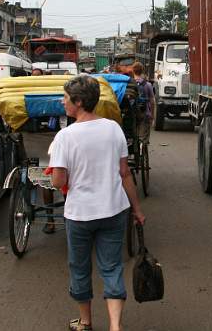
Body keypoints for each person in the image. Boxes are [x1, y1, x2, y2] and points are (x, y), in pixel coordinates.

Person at [49, 75, 145, 331]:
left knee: (80, 268)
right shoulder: (113, 128)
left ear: (78, 102)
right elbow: (125, 174)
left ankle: (85, 322)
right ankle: (115, 326)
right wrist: (137, 210)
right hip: (114, 210)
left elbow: (58, 181)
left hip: (80, 214)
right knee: (112, 267)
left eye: (66, 98)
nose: (63, 102)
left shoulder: (64, 137)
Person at [131, 61, 155, 146]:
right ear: (142, 71)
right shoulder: (148, 85)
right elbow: (152, 102)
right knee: (144, 137)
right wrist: (152, 115)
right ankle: (143, 149)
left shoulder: (129, 83)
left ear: (133, 71)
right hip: (145, 113)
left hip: (131, 114)